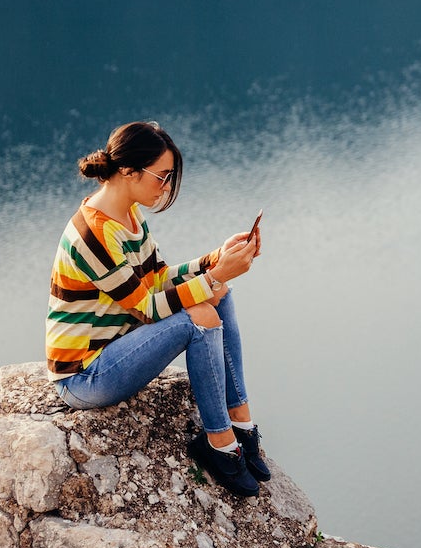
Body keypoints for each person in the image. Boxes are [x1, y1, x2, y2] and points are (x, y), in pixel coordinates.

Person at [45, 121, 269, 497]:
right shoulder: (93, 234)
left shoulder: (129, 216)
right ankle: (219, 445)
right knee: (200, 318)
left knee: (220, 293)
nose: (166, 187)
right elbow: (148, 309)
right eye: (161, 176)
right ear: (129, 171)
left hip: (118, 349)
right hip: (84, 376)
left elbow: (159, 277)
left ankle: (240, 423)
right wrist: (212, 277)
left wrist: (216, 261)